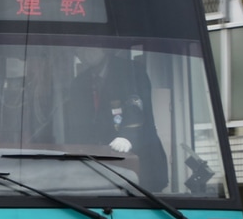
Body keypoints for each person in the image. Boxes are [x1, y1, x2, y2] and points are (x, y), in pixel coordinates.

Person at [65, 47, 168, 191]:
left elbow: (136, 106)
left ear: (104, 48)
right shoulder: (79, 82)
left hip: (140, 163)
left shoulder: (131, 71)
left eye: (88, 47)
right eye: (79, 50)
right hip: (98, 166)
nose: (83, 53)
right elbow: (78, 124)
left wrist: (127, 137)